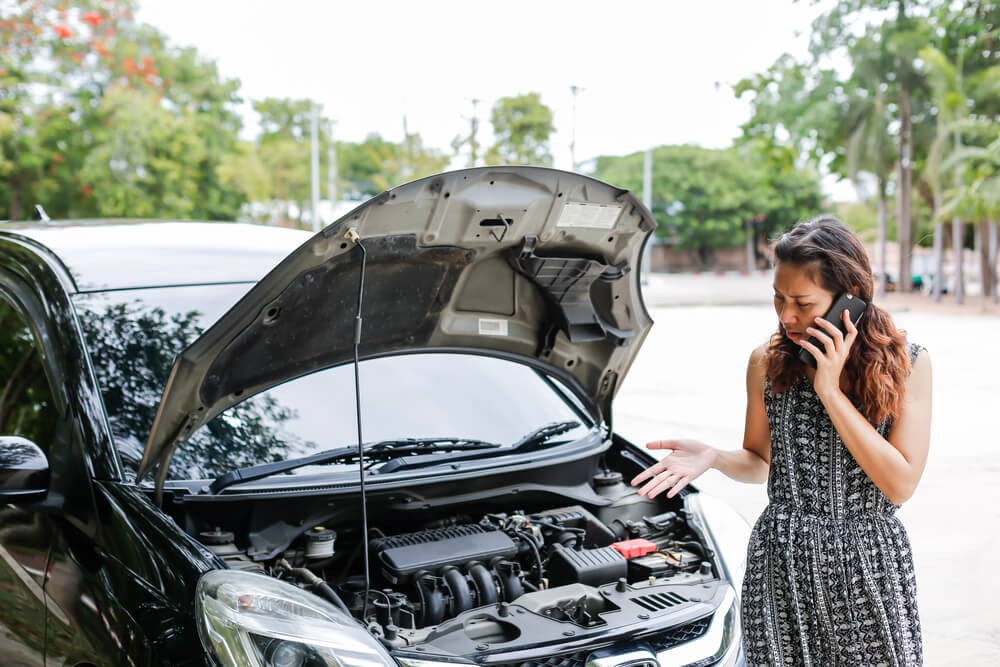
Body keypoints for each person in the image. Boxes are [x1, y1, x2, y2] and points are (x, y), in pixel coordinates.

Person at [630, 215, 931, 666]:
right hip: (780, 559)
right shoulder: (767, 362)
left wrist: (829, 391)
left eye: (803, 302)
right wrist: (714, 457)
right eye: (778, 297)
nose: (786, 315)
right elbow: (760, 462)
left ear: (848, 299)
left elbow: (900, 484)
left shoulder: (907, 364)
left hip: (866, 560)